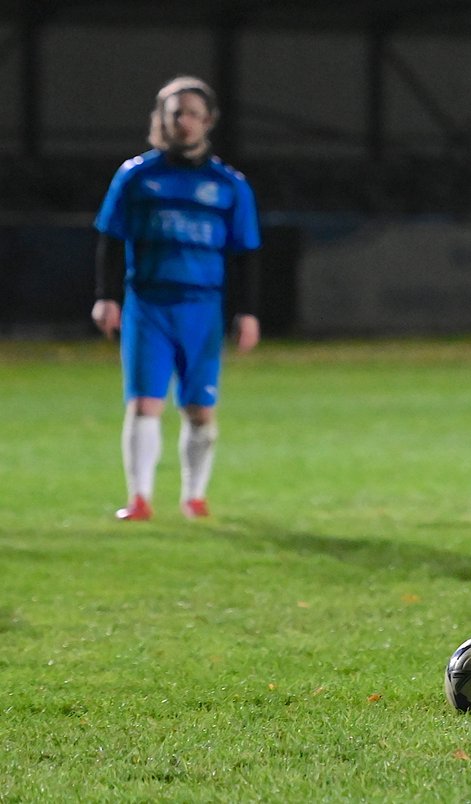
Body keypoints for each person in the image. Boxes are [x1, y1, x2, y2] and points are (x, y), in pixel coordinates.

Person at [91, 75, 262, 521]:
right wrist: (106, 297)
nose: (180, 121)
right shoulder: (136, 177)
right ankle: (140, 498)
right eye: (172, 113)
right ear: (160, 120)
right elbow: (110, 239)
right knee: (145, 402)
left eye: (189, 113)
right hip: (148, 305)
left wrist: (247, 311)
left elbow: (244, 253)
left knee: (200, 408)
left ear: (207, 121)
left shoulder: (229, 185)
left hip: (202, 308)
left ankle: (194, 496)